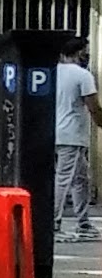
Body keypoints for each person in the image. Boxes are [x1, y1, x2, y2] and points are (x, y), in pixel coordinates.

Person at [59, 40, 99, 241]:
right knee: (63, 179)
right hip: (72, 135)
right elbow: (93, 106)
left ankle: (83, 222)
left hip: (55, 132)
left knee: (80, 178)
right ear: (79, 52)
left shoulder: (53, 72)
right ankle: (54, 224)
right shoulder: (83, 75)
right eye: (85, 51)